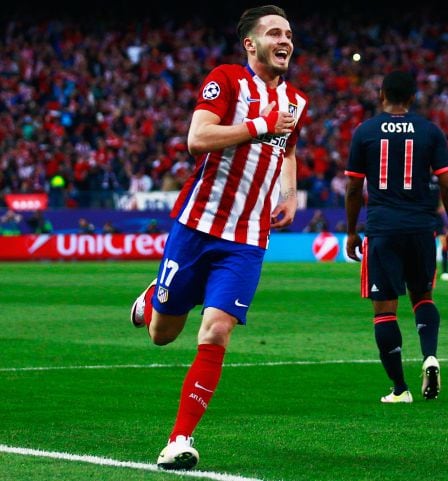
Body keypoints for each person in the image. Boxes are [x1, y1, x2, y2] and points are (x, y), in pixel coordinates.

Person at [128, 4, 308, 470]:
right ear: (251, 44)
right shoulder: (226, 80)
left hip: (247, 238)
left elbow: (286, 151)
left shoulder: (297, 102)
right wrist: (258, 126)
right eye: (273, 33)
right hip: (197, 226)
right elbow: (197, 138)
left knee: (217, 329)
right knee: (162, 334)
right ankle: (154, 299)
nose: (284, 40)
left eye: (288, 33)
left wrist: (288, 194)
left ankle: (179, 439)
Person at [345, 71, 448, 404]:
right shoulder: (430, 131)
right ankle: (430, 356)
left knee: (385, 312)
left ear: (381, 94)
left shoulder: (365, 132)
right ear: (412, 98)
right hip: (422, 228)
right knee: (423, 298)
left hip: (383, 230)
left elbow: (354, 187)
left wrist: (352, 231)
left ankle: (400, 389)